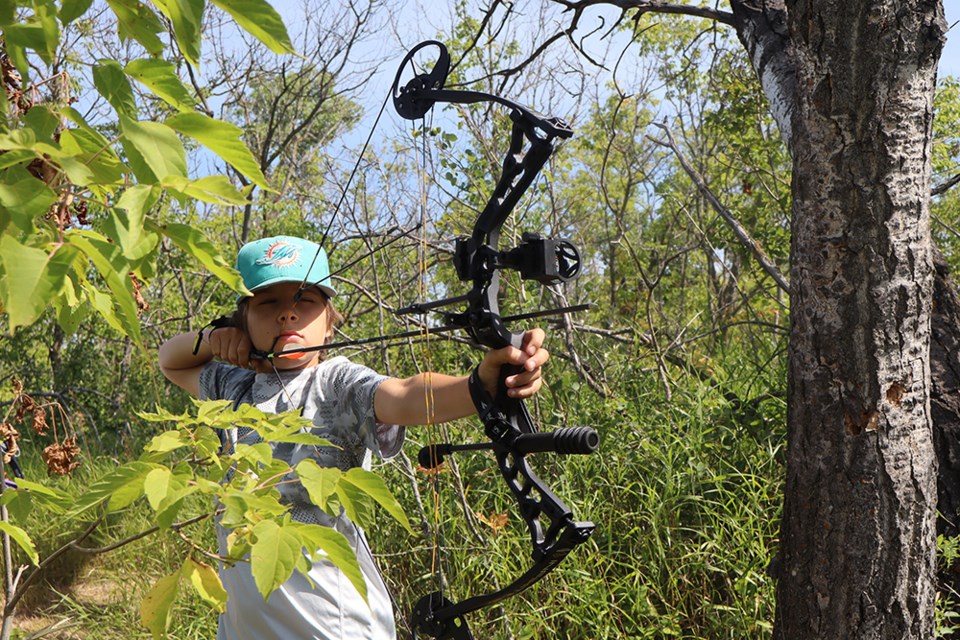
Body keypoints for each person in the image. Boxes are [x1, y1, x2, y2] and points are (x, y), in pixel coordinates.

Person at [157, 235, 550, 640]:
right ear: (243, 320)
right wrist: (211, 336)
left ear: (330, 321)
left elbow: (406, 395)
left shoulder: (336, 383)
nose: (287, 315)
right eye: (267, 303)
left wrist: (482, 384)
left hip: (332, 624)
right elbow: (169, 361)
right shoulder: (230, 386)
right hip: (246, 628)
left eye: (305, 300)